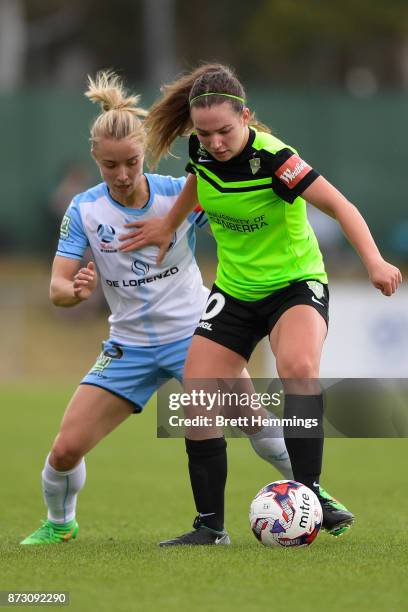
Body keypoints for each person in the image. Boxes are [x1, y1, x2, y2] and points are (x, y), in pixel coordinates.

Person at [119, 63, 402, 546]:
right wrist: (168, 226)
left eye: (225, 131)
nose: (215, 142)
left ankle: (308, 500)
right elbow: (198, 183)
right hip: (234, 291)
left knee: (296, 367)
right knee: (199, 399)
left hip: (294, 285)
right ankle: (210, 527)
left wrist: (374, 261)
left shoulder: (277, 160)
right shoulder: (201, 151)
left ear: (245, 116)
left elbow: (341, 207)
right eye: (204, 133)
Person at [20, 71, 293, 546]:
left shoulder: (180, 195)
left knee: (260, 429)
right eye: (110, 167)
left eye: (131, 162)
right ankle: (60, 523)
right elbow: (57, 287)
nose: (123, 176)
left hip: (198, 338)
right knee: (64, 450)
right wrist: (75, 290)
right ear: (95, 160)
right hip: (128, 346)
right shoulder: (83, 211)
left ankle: (315, 496)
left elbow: (240, 216)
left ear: (146, 151)